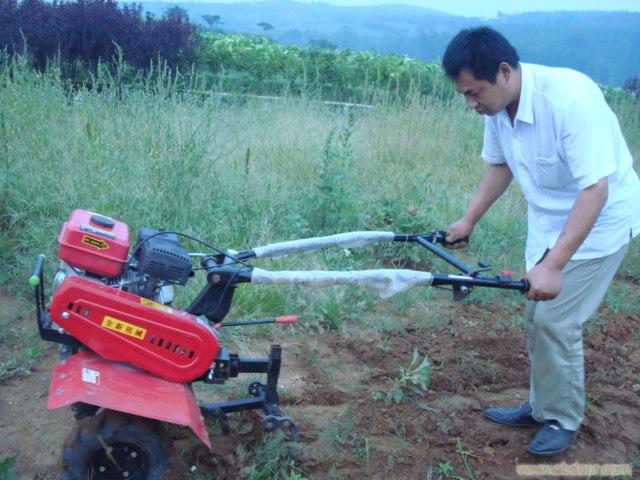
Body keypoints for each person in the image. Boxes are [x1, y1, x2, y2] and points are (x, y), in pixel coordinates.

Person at [441, 26, 640, 456]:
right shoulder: (497, 111)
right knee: (535, 317)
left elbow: (596, 190)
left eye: (475, 92)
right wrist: (467, 220)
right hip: (550, 223)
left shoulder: (570, 100)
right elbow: (500, 166)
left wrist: (553, 266)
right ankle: (541, 403)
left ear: (505, 71)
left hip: (598, 223)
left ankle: (562, 417)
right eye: (465, 96)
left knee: (555, 322)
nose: (472, 104)